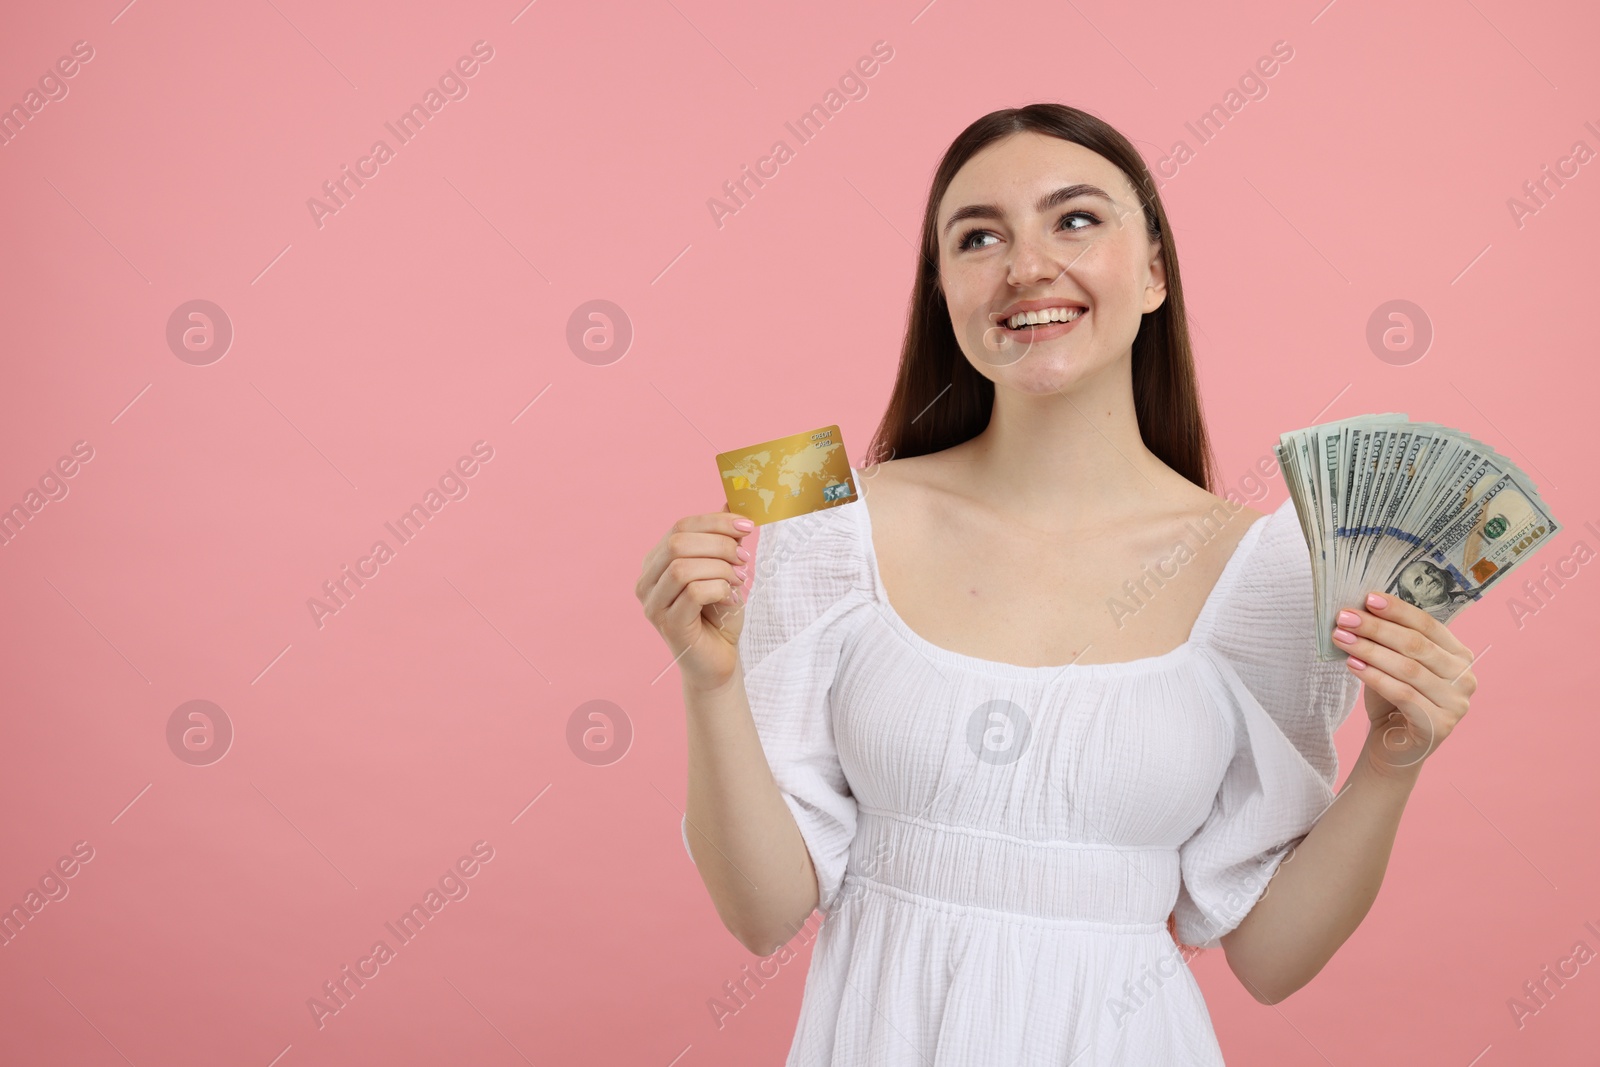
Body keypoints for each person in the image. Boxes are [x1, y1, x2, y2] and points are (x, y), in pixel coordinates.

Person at [636, 103, 1479, 1065]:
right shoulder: (816, 514)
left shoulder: (1271, 572)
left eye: (1075, 218)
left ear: (1156, 271)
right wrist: (708, 684)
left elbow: (1270, 960)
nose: (1026, 265)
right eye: (978, 236)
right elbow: (761, 914)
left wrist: (1392, 760)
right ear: (943, 289)